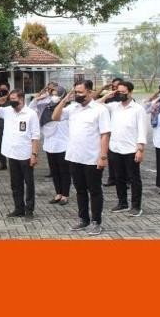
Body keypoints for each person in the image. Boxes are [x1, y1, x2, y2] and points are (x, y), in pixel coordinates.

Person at [53, 80, 110, 235]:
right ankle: (83, 219)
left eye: (80, 92)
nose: (77, 95)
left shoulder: (100, 110)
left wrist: (103, 156)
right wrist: (64, 100)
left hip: (92, 158)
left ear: (90, 92)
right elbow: (55, 117)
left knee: (94, 191)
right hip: (74, 157)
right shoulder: (73, 108)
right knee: (80, 191)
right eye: (75, 92)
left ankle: (96, 222)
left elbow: (105, 134)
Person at [0, 89, 41, 218]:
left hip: (26, 154)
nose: (11, 101)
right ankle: (19, 208)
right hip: (11, 153)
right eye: (10, 99)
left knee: (29, 183)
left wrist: (34, 154)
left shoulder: (31, 114)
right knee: (15, 183)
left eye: (14, 99)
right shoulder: (7, 111)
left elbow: (35, 136)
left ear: (21, 99)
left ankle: (29, 209)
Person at [99, 81, 147, 216]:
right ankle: (122, 203)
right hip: (115, 148)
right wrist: (108, 95)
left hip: (131, 149)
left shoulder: (138, 109)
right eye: (118, 92)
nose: (120, 94)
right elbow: (97, 105)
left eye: (123, 92)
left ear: (130, 92)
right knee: (118, 178)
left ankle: (136, 206)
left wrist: (140, 149)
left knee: (134, 179)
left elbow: (142, 130)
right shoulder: (114, 106)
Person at [34, 83, 70, 205]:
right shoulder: (46, 109)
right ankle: (58, 193)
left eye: (56, 95)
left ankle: (65, 195)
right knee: (54, 172)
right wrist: (39, 97)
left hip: (63, 145)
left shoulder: (67, 110)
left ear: (62, 96)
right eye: (52, 94)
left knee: (64, 172)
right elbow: (33, 106)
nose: (53, 97)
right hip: (50, 145)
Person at [98, 77, 124, 186]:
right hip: (109, 129)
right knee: (111, 156)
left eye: (117, 86)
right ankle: (112, 178)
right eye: (113, 86)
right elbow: (97, 103)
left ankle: (125, 179)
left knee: (122, 157)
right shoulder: (109, 98)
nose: (115, 88)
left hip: (121, 131)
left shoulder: (125, 99)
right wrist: (106, 93)